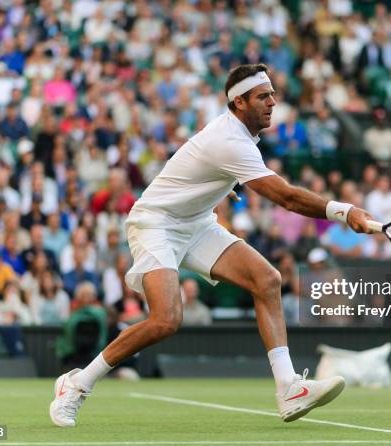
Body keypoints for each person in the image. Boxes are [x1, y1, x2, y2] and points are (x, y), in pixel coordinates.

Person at [50, 63, 374, 427]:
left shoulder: (240, 137)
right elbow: (287, 199)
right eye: (263, 96)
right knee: (166, 320)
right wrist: (345, 212)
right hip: (156, 223)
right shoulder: (229, 140)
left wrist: (225, 187)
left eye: (272, 94)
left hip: (197, 223)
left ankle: (289, 388)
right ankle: (76, 383)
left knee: (267, 279)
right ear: (239, 102)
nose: (272, 101)